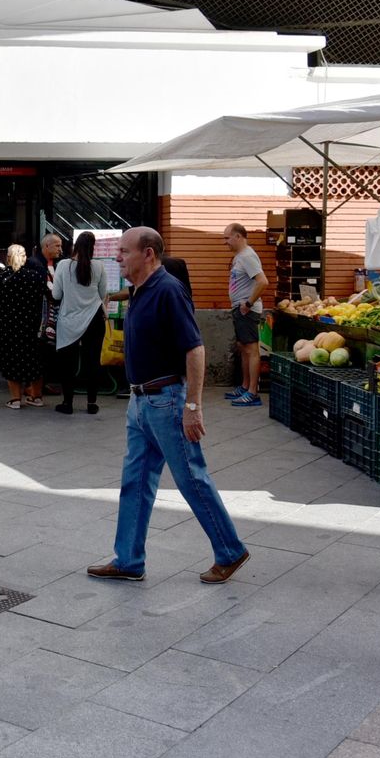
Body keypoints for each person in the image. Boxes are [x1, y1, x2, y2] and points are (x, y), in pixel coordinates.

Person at [88, 227, 251, 585]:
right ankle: (129, 560)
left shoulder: (168, 290)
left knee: (191, 478)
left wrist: (193, 405)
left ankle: (230, 550)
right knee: (135, 480)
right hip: (140, 401)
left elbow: (195, 349)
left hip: (167, 402)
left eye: (125, 252)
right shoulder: (140, 291)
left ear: (148, 254)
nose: (118, 258)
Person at [53, 232, 108, 415]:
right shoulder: (99, 266)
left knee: (67, 363)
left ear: (75, 245)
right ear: (93, 247)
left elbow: (56, 295)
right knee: (92, 362)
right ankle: (91, 404)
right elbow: (102, 294)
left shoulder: (63, 265)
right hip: (94, 318)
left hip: (69, 320)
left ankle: (67, 403)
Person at [0, 245, 47, 409]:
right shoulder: (35, 276)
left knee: (11, 361)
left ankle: (15, 399)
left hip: (9, 327)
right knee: (34, 360)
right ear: (25, 257)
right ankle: (36, 397)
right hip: (32, 325)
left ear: (8, 258)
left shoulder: (2, 278)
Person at [222, 224, 268, 407]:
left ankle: (252, 393)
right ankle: (245, 386)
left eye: (227, 238)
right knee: (243, 348)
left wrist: (248, 303)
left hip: (246, 311)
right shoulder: (240, 257)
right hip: (240, 309)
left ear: (238, 236)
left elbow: (263, 282)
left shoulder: (248, 256)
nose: (225, 242)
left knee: (251, 349)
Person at [26, 233, 63, 406]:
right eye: (57, 245)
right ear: (46, 246)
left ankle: (41, 384)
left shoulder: (59, 264)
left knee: (47, 351)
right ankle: (35, 388)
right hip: (41, 315)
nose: (60, 249)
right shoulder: (35, 263)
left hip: (55, 314)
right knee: (39, 350)